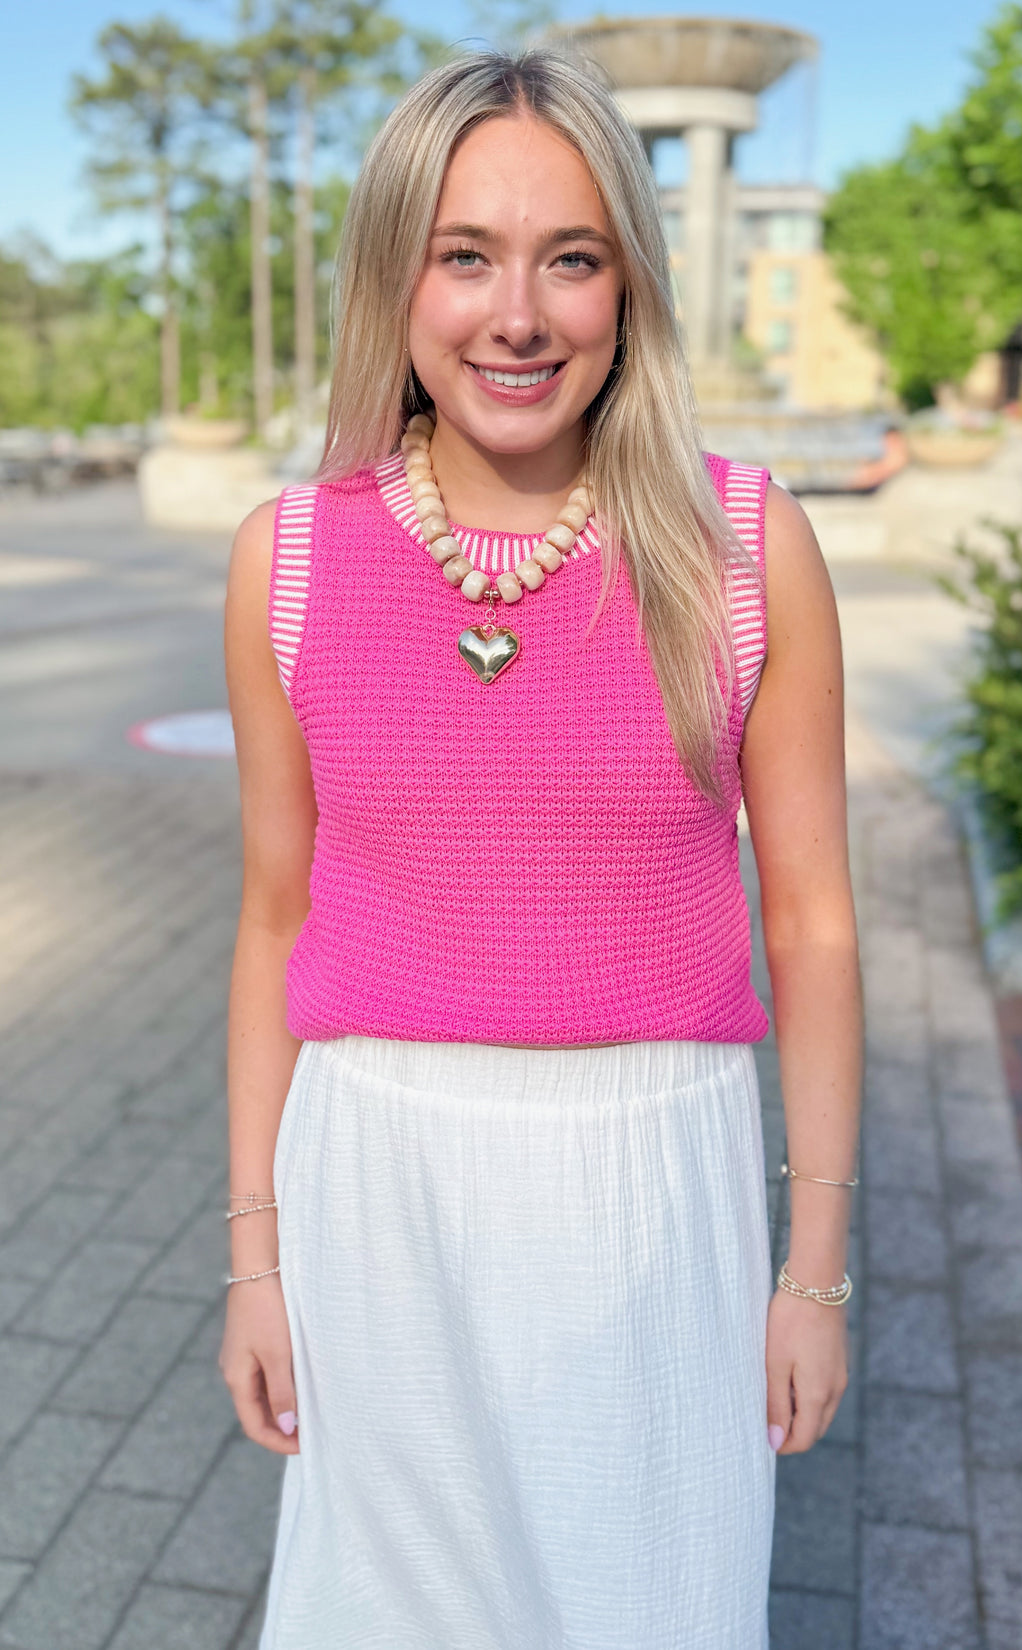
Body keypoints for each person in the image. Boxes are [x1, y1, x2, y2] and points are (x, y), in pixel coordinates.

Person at [220, 45, 862, 1650]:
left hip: (655, 1188)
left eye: (570, 258)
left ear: (629, 287)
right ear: (399, 281)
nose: (520, 314)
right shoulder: (288, 559)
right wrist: (252, 1256)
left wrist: (818, 1266)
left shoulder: (743, 548)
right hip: (376, 1184)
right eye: (466, 255)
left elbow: (817, 926)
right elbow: (270, 915)